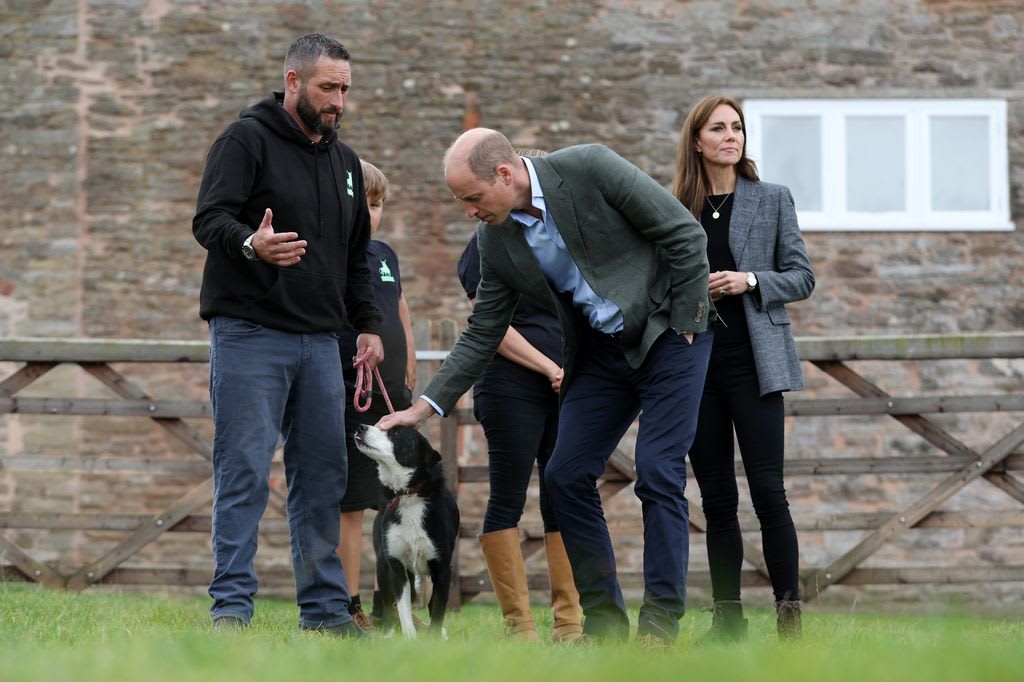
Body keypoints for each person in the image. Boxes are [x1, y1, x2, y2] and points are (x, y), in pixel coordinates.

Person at [378, 128, 713, 647]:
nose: (468, 211)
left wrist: (689, 321)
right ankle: (602, 627)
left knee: (656, 470)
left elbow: (685, 234)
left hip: (668, 334)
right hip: (600, 354)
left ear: (505, 175)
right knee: (565, 475)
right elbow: (485, 328)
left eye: (471, 196)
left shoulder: (591, 167)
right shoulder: (496, 236)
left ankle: (660, 625)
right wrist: (423, 409)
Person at [192, 33, 383, 635]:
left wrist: (370, 328)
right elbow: (209, 218)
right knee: (244, 471)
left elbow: (357, 258)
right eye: (328, 88)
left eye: (346, 89)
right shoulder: (244, 139)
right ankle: (231, 610)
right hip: (251, 333)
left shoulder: (347, 164)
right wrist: (253, 242)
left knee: (323, 477)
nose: (338, 101)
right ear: (294, 81)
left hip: (323, 342)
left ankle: (325, 613)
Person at [671, 95, 815, 641]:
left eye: (737, 128)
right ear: (698, 141)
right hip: (696, 368)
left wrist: (748, 280)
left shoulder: (772, 199)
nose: (731, 136)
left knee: (768, 494)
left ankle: (789, 619)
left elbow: (802, 277)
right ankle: (727, 621)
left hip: (756, 365)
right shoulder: (676, 206)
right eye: (719, 128)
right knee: (716, 499)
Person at [456, 149, 582, 642]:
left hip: (567, 384)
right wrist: (551, 367)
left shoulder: (562, 238)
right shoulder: (485, 245)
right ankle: (518, 625)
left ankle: (569, 623)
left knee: (563, 493)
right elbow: (492, 328)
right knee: (507, 496)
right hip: (511, 384)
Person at [337, 160, 417, 631]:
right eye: (362, 203)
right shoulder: (329, 256)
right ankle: (350, 607)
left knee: (396, 502)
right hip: (350, 396)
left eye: (377, 204)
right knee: (350, 505)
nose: (371, 213)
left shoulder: (386, 255)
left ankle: (391, 604)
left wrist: (408, 363)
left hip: (393, 399)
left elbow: (399, 306)